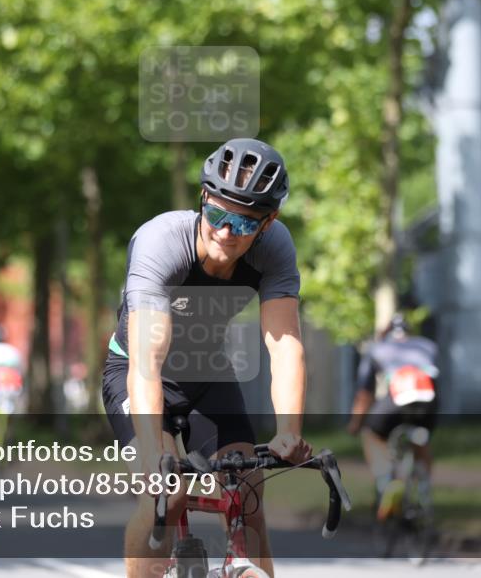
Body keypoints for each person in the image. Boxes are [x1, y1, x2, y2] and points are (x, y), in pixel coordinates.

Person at [101, 138, 309, 578]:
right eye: (216, 213)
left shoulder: (275, 249)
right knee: (166, 493)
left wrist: (289, 431)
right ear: (203, 199)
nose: (226, 232)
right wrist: (152, 452)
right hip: (136, 371)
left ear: (268, 223)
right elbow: (146, 360)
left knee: (248, 496)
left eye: (244, 223)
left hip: (208, 374)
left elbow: (284, 342)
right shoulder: (162, 242)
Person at [346, 313, 439, 521]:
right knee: (421, 437)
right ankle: (424, 494)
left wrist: (355, 423)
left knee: (371, 433)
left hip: (397, 400)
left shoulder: (376, 349)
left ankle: (386, 481)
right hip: (428, 400)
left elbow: (364, 393)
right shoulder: (427, 345)